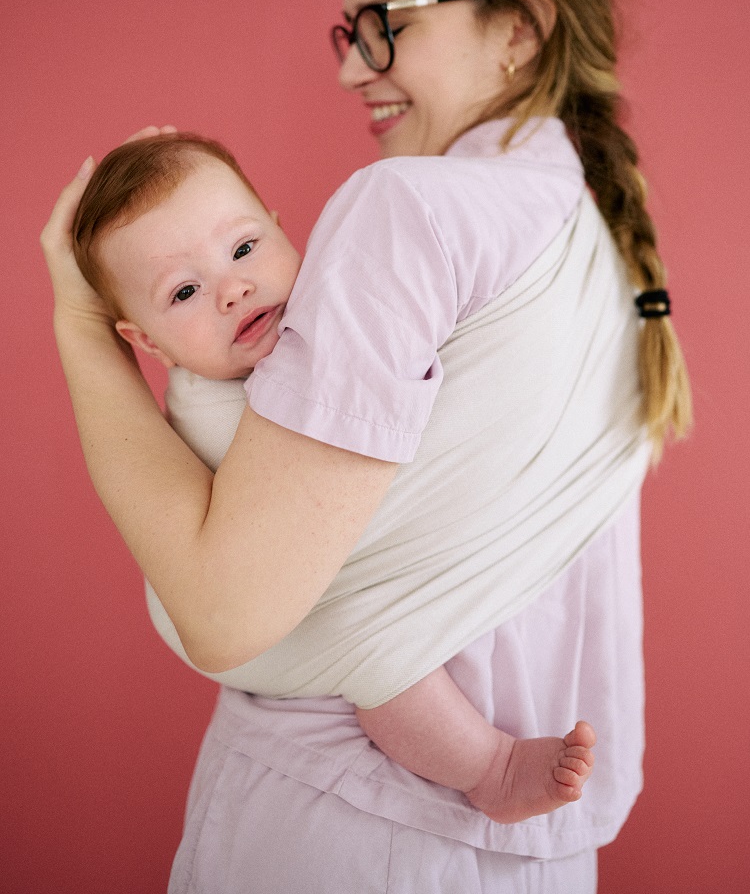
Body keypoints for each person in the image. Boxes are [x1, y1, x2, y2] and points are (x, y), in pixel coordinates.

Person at [42, 0, 691, 893]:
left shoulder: (406, 211)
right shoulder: (599, 229)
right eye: (350, 32)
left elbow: (220, 613)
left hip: (344, 833)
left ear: (519, 28)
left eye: (389, 22)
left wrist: (80, 323)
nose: (351, 67)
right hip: (533, 862)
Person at [72, 129, 596, 823]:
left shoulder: (316, 326)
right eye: (185, 291)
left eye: (245, 247)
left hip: (243, 593)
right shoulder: (209, 409)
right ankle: (488, 769)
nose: (233, 289)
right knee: (382, 653)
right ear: (146, 342)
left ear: (283, 230)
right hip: (242, 633)